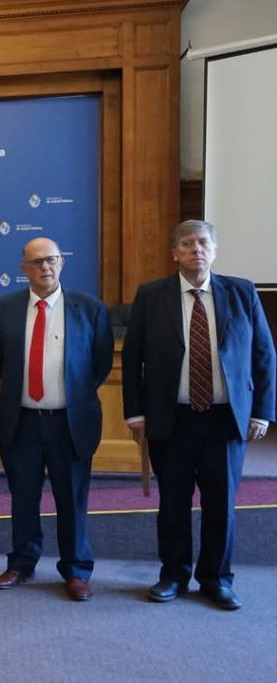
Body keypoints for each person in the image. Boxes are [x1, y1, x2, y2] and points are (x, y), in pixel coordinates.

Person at [122, 219, 275, 610]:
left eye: (203, 243)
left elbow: (264, 355)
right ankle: (173, 574)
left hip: (225, 419)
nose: (196, 250)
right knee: (172, 502)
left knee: (220, 503)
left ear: (214, 250)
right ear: (175, 253)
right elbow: (133, 358)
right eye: (187, 244)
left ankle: (216, 579)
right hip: (171, 418)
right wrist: (135, 413)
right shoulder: (151, 296)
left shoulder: (241, 292)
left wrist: (262, 411)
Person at [0, 237, 113, 601]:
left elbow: (100, 365)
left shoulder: (89, 308)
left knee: (71, 499)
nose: (45, 266)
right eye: (37, 261)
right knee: (23, 497)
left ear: (62, 263)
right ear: (23, 269)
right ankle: (22, 562)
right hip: (21, 421)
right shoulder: (7, 307)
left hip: (69, 423)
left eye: (52, 260)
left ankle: (75, 570)